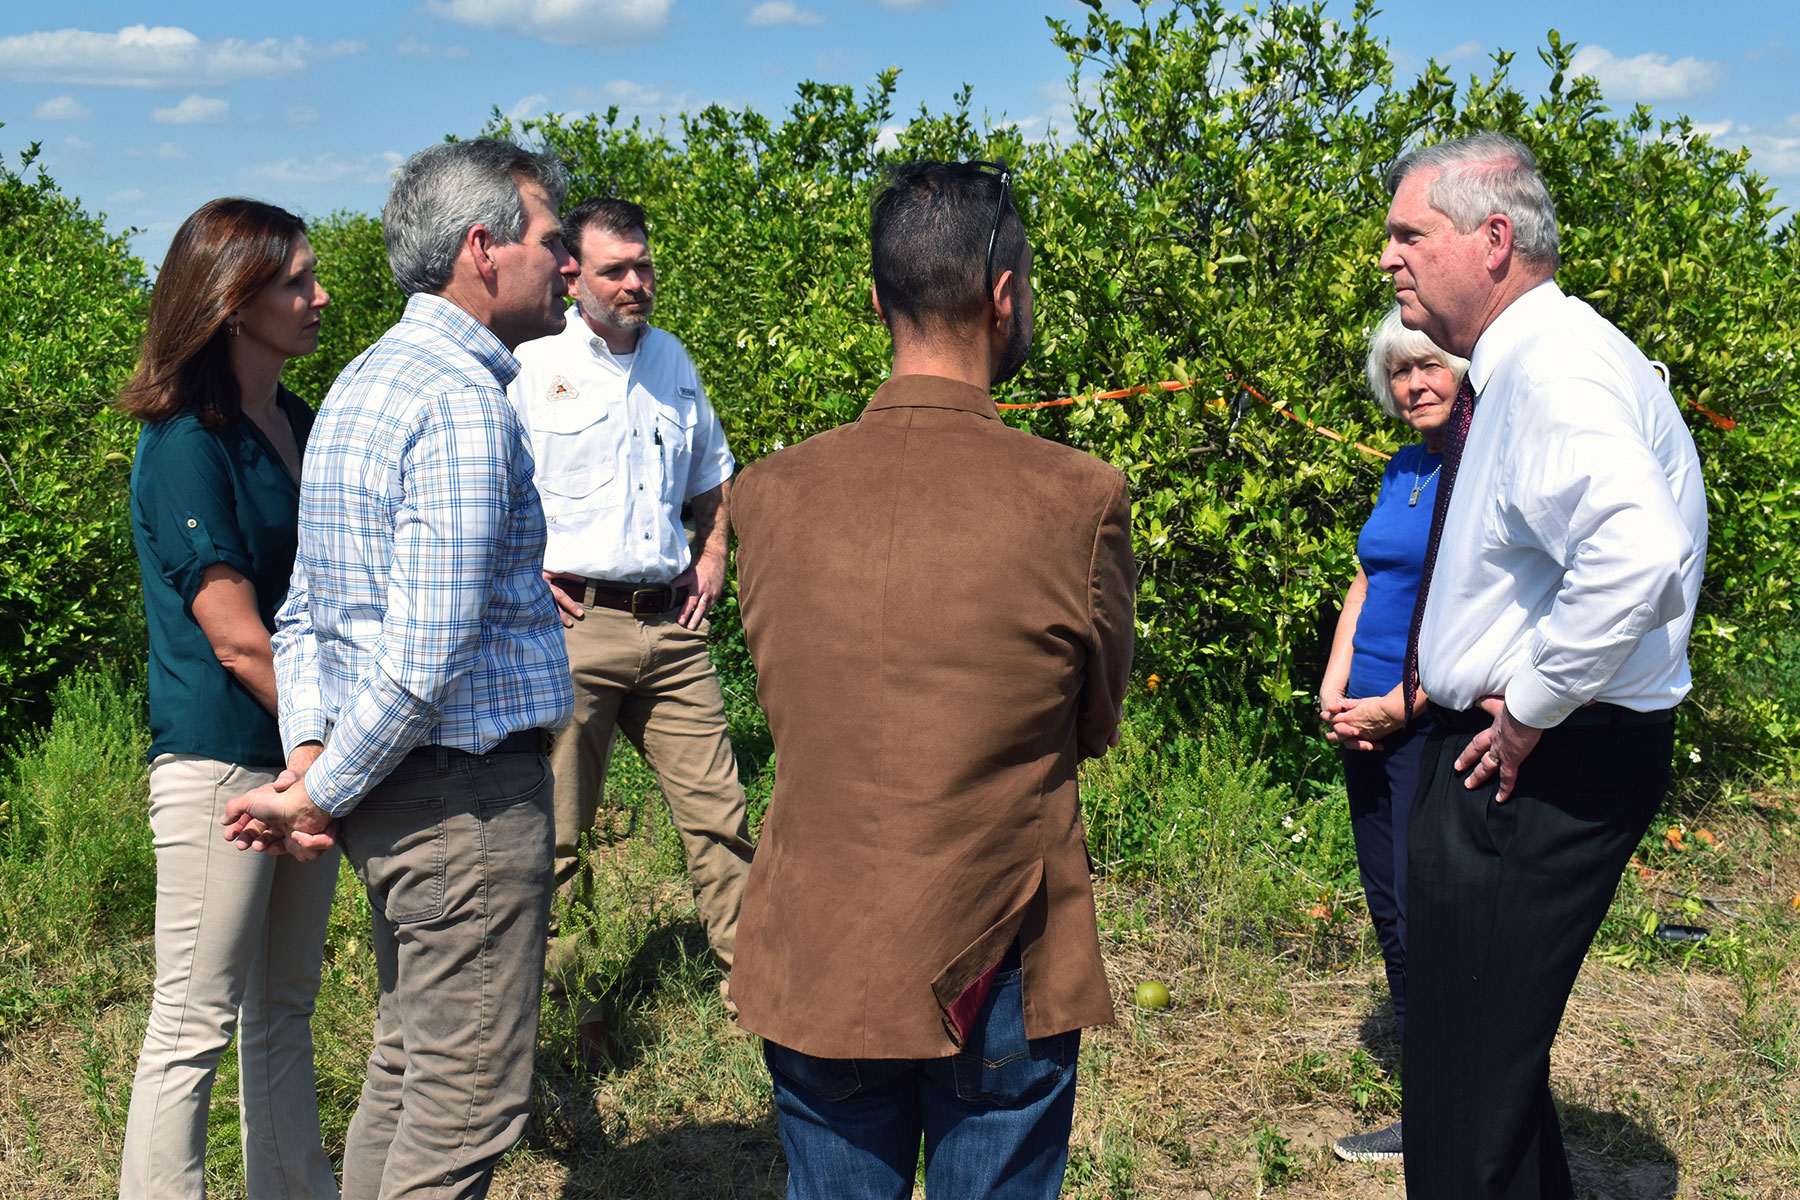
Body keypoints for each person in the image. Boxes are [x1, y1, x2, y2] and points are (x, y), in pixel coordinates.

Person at [729, 160, 1135, 1200]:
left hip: (820, 940)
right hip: (997, 943)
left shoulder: (768, 495)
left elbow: (793, 702)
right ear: (1005, 297)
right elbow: (1093, 719)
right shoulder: (1077, 496)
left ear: (877, 300)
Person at [223, 138, 578, 1200]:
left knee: (411, 1067)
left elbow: (309, 620)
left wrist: (315, 764)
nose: (564, 264)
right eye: (553, 241)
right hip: (460, 804)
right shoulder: (461, 405)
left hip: (403, 799)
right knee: (466, 1106)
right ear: (483, 248)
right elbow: (423, 658)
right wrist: (317, 789)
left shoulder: (364, 386)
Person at [1379, 132, 1706, 1199]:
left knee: (1463, 1102)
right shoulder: (1531, 360)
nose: (1388, 259)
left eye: (1408, 234)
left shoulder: (1556, 367)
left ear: (1494, 237)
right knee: (1484, 1080)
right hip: (1532, 752)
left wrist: (1531, 703)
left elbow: (1638, 549)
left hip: (1535, 763)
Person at [115, 198, 339, 1200]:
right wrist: (331, 746)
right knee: (193, 1021)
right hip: (224, 763)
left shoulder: (291, 420)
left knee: (284, 1008)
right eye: (295, 280)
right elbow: (238, 637)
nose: (319, 296)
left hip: (302, 759)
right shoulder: (185, 444)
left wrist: (325, 754)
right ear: (232, 300)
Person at [507, 197, 753, 1060]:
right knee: (562, 836)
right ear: (572, 274)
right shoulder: (532, 366)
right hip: (577, 626)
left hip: (672, 628)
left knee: (721, 815)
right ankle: (580, 1020)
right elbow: (490, 482)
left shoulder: (673, 362)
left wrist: (713, 550)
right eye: (617, 269)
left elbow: (714, 478)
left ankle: (753, 990)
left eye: (644, 265)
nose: (637, 282)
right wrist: (522, 566)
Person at [1318, 306, 1467, 1165]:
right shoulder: (1404, 468)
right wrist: (1339, 684)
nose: (1414, 383)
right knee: (1392, 916)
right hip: (1363, 720)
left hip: (1428, 724)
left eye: (1430, 366)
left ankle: (1451, 1118)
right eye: (1400, 371)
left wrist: (1402, 706)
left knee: (1427, 918)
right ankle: (1428, 1118)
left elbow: (1481, 617)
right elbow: (1366, 582)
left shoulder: (1476, 471)